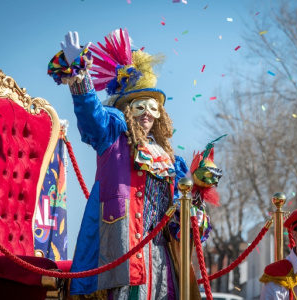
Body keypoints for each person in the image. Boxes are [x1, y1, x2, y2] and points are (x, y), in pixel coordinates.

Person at [47, 29, 211, 300]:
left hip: (162, 255)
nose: (147, 112)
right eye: (139, 106)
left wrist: (199, 192)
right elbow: (91, 115)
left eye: (153, 107)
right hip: (122, 251)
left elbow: (182, 224)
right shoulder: (113, 136)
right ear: (126, 110)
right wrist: (79, 76)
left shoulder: (171, 160)